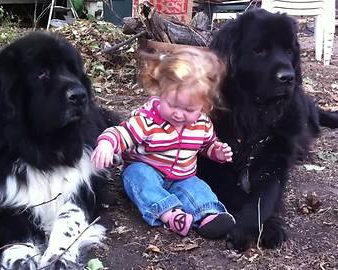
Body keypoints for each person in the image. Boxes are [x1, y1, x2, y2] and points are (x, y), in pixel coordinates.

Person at [91, 47, 235, 239]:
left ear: (204, 105)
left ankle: (210, 215)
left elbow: (206, 145)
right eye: (172, 105)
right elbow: (121, 132)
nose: (178, 113)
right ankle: (170, 214)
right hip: (148, 170)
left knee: (197, 187)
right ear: (161, 93)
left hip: (183, 176)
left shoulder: (202, 123)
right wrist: (107, 145)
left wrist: (216, 152)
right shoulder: (147, 120)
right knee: (138, 176)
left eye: (188, 109)